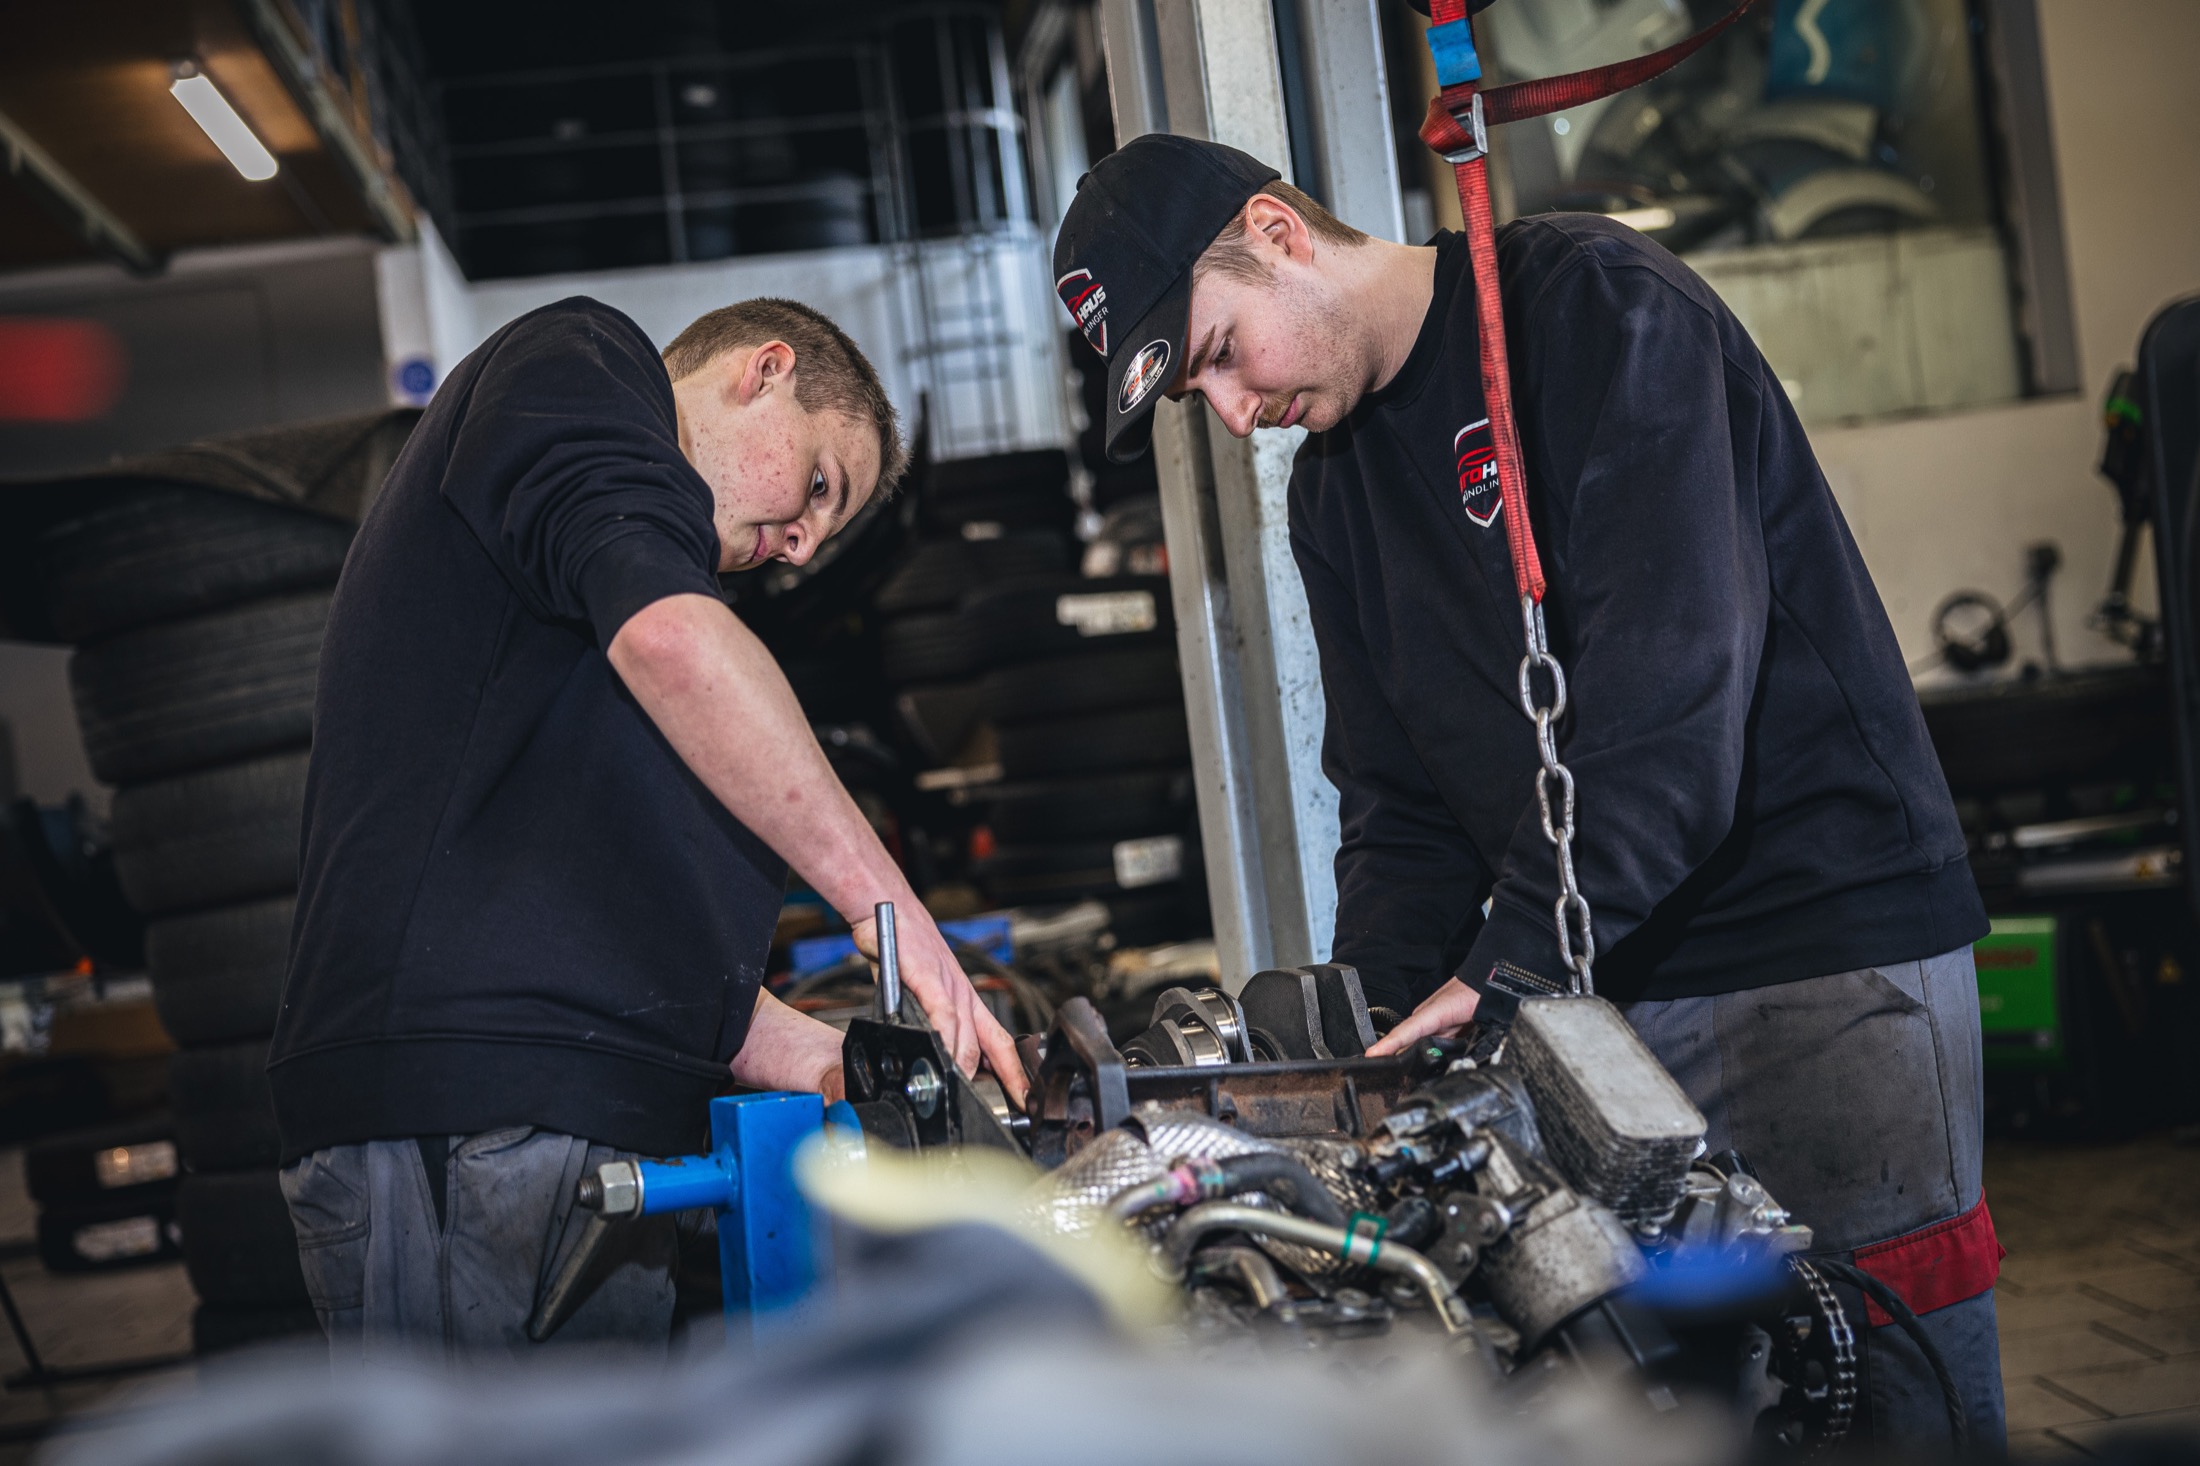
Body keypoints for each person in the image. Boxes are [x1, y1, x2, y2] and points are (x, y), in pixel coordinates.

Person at [1053, 134, 2005, 1451]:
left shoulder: (1592, 310)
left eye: (1219, 354)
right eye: (1191, 395)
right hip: (1603, 987)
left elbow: (1670, 713)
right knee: (1687, 1401)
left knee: (1882, 1389)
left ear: (1275, 232)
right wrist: (1364, 1034)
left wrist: (1508, 970)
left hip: (1815, 961)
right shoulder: (1332, 496)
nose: (1230, 413)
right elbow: (1400, 808)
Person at [269, 295, 1025, 1361]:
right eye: (817, 483)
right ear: (761, 371)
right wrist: (889, 905)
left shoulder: (593, 593)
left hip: (558, 1128)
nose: (804, 545)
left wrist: (830, 1054)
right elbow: (673, 641)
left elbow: (592, 921)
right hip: (462, 1118)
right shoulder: (577, 358)